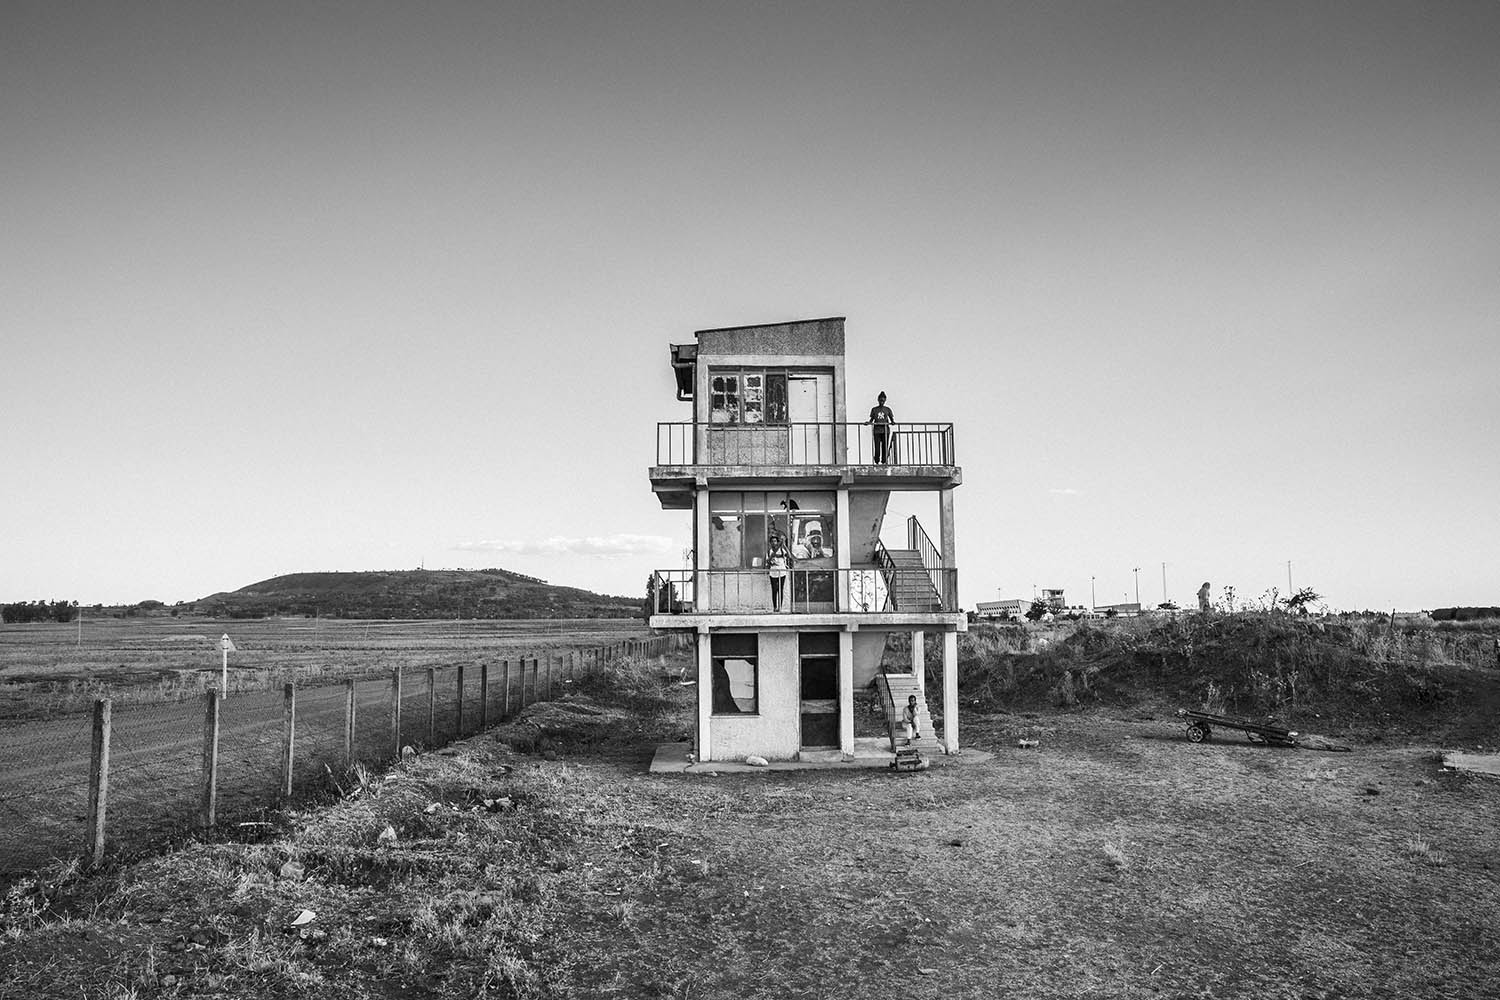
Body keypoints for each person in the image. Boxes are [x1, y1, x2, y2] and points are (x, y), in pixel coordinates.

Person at [867, 391, 895, 464]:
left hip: (885, 430)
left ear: (885, 400)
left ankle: (884, 460)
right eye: (880, 400)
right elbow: (871, 419)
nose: (882, 402)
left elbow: (892, 419)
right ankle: (876, 459)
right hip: (877, 430)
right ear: (878, 400)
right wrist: (868, 423)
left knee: (884, 446)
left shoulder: (887, 409)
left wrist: (892, 422)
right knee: (877, 447)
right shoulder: (874, 409)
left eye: (883, 400)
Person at [767, 530, 791, 612]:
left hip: (782, 572)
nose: (774, 543)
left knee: (780, 589)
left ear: (777, 542)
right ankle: (775, 607)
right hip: (773, 572)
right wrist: (773, 555)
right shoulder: (769, 551)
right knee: (774, 589)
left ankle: (780, 607)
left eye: (775, 541)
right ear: (770, 543)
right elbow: (768, 561)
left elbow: (789, 556)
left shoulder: (781, 549)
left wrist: (784, 546)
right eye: (772, 541)